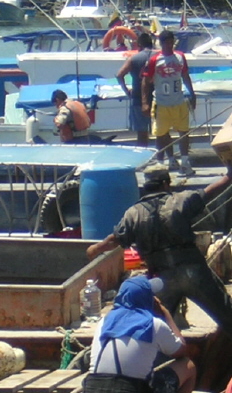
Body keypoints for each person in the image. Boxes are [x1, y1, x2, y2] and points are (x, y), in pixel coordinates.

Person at [87, 162, 232, 338]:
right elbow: (208, 192)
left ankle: (157, 358)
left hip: (162, 279)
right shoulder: (180, 200)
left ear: (146, 187)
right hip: (194, 272)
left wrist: (95, 248)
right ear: (166, 183)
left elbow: (114, 240)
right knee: (227, 316)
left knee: (153, 328)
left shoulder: (133, 213)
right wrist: (228, 176)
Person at [85, 276, 196, 393]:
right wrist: (165, 313)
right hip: (129, 389)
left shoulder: (103, 322)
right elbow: (183, 350)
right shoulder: (154, 325)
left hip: (93, 387)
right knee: (188, 365)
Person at [141, 30, 197, 176]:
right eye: (166, 42)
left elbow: (185, 75)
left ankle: (185, 163)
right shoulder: (154, 60)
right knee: (161, 133)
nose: (169, 44)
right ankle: (164, 162)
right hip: (161, 102)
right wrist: (145, 102)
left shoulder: (180, 56)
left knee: (184, 132)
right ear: (161, 43)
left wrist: (192, 93)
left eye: (171, 41)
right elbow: (145, 81)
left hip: (179, 101)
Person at [116, 33, 154, 147]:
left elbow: (119, 75)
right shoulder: (158, 56)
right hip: (158, 97)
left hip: (138, 98)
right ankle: (162, 157)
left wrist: (127, 91)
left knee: (142, 133)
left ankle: (143, 158)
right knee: (162, 132)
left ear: (139, 44)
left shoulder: (134, 59)